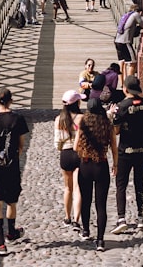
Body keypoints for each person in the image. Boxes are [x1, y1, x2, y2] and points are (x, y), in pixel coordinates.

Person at [0, 88, 30, 256]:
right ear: (11, 100)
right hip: (11, 166)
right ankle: (12, 232)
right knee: (11, 201)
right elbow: (21, 144)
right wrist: (14, 157)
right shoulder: (18, 119)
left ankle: (1, 244)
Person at [111, 75, 143, 234]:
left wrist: (112, 116)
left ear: (125, 89)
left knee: (121, 184)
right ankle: (141, 217)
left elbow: (115, 131)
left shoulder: (122, 106)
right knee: (139, 183)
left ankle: (121, 218)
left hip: (126, 150)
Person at [75, 96, 118, 251]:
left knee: (86, 200)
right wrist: (116, 164)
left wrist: (84, 151)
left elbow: (75, 147)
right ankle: (100, 240)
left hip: (86, 165)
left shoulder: (83, 123)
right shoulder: (107, 124)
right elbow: (114, 146)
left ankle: (86, 230)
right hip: (101, 165)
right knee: (101, 205)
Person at [55, 89, 84, 231]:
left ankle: (67, 217)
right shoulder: (81, 118)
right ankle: (77, 220)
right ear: (77, 103)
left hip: (65, 154)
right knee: (78, 189)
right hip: (78, 154)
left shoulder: (59, 119)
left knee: (67, 188)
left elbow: (57, 143)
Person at [114, 4, 143, 77]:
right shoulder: (136, 14)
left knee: (122, 62)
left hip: (117, 40)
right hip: (125, 42)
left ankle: (123, 85)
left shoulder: (126, 15)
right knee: (132, 63)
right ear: (139, 11)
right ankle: (129, 83)